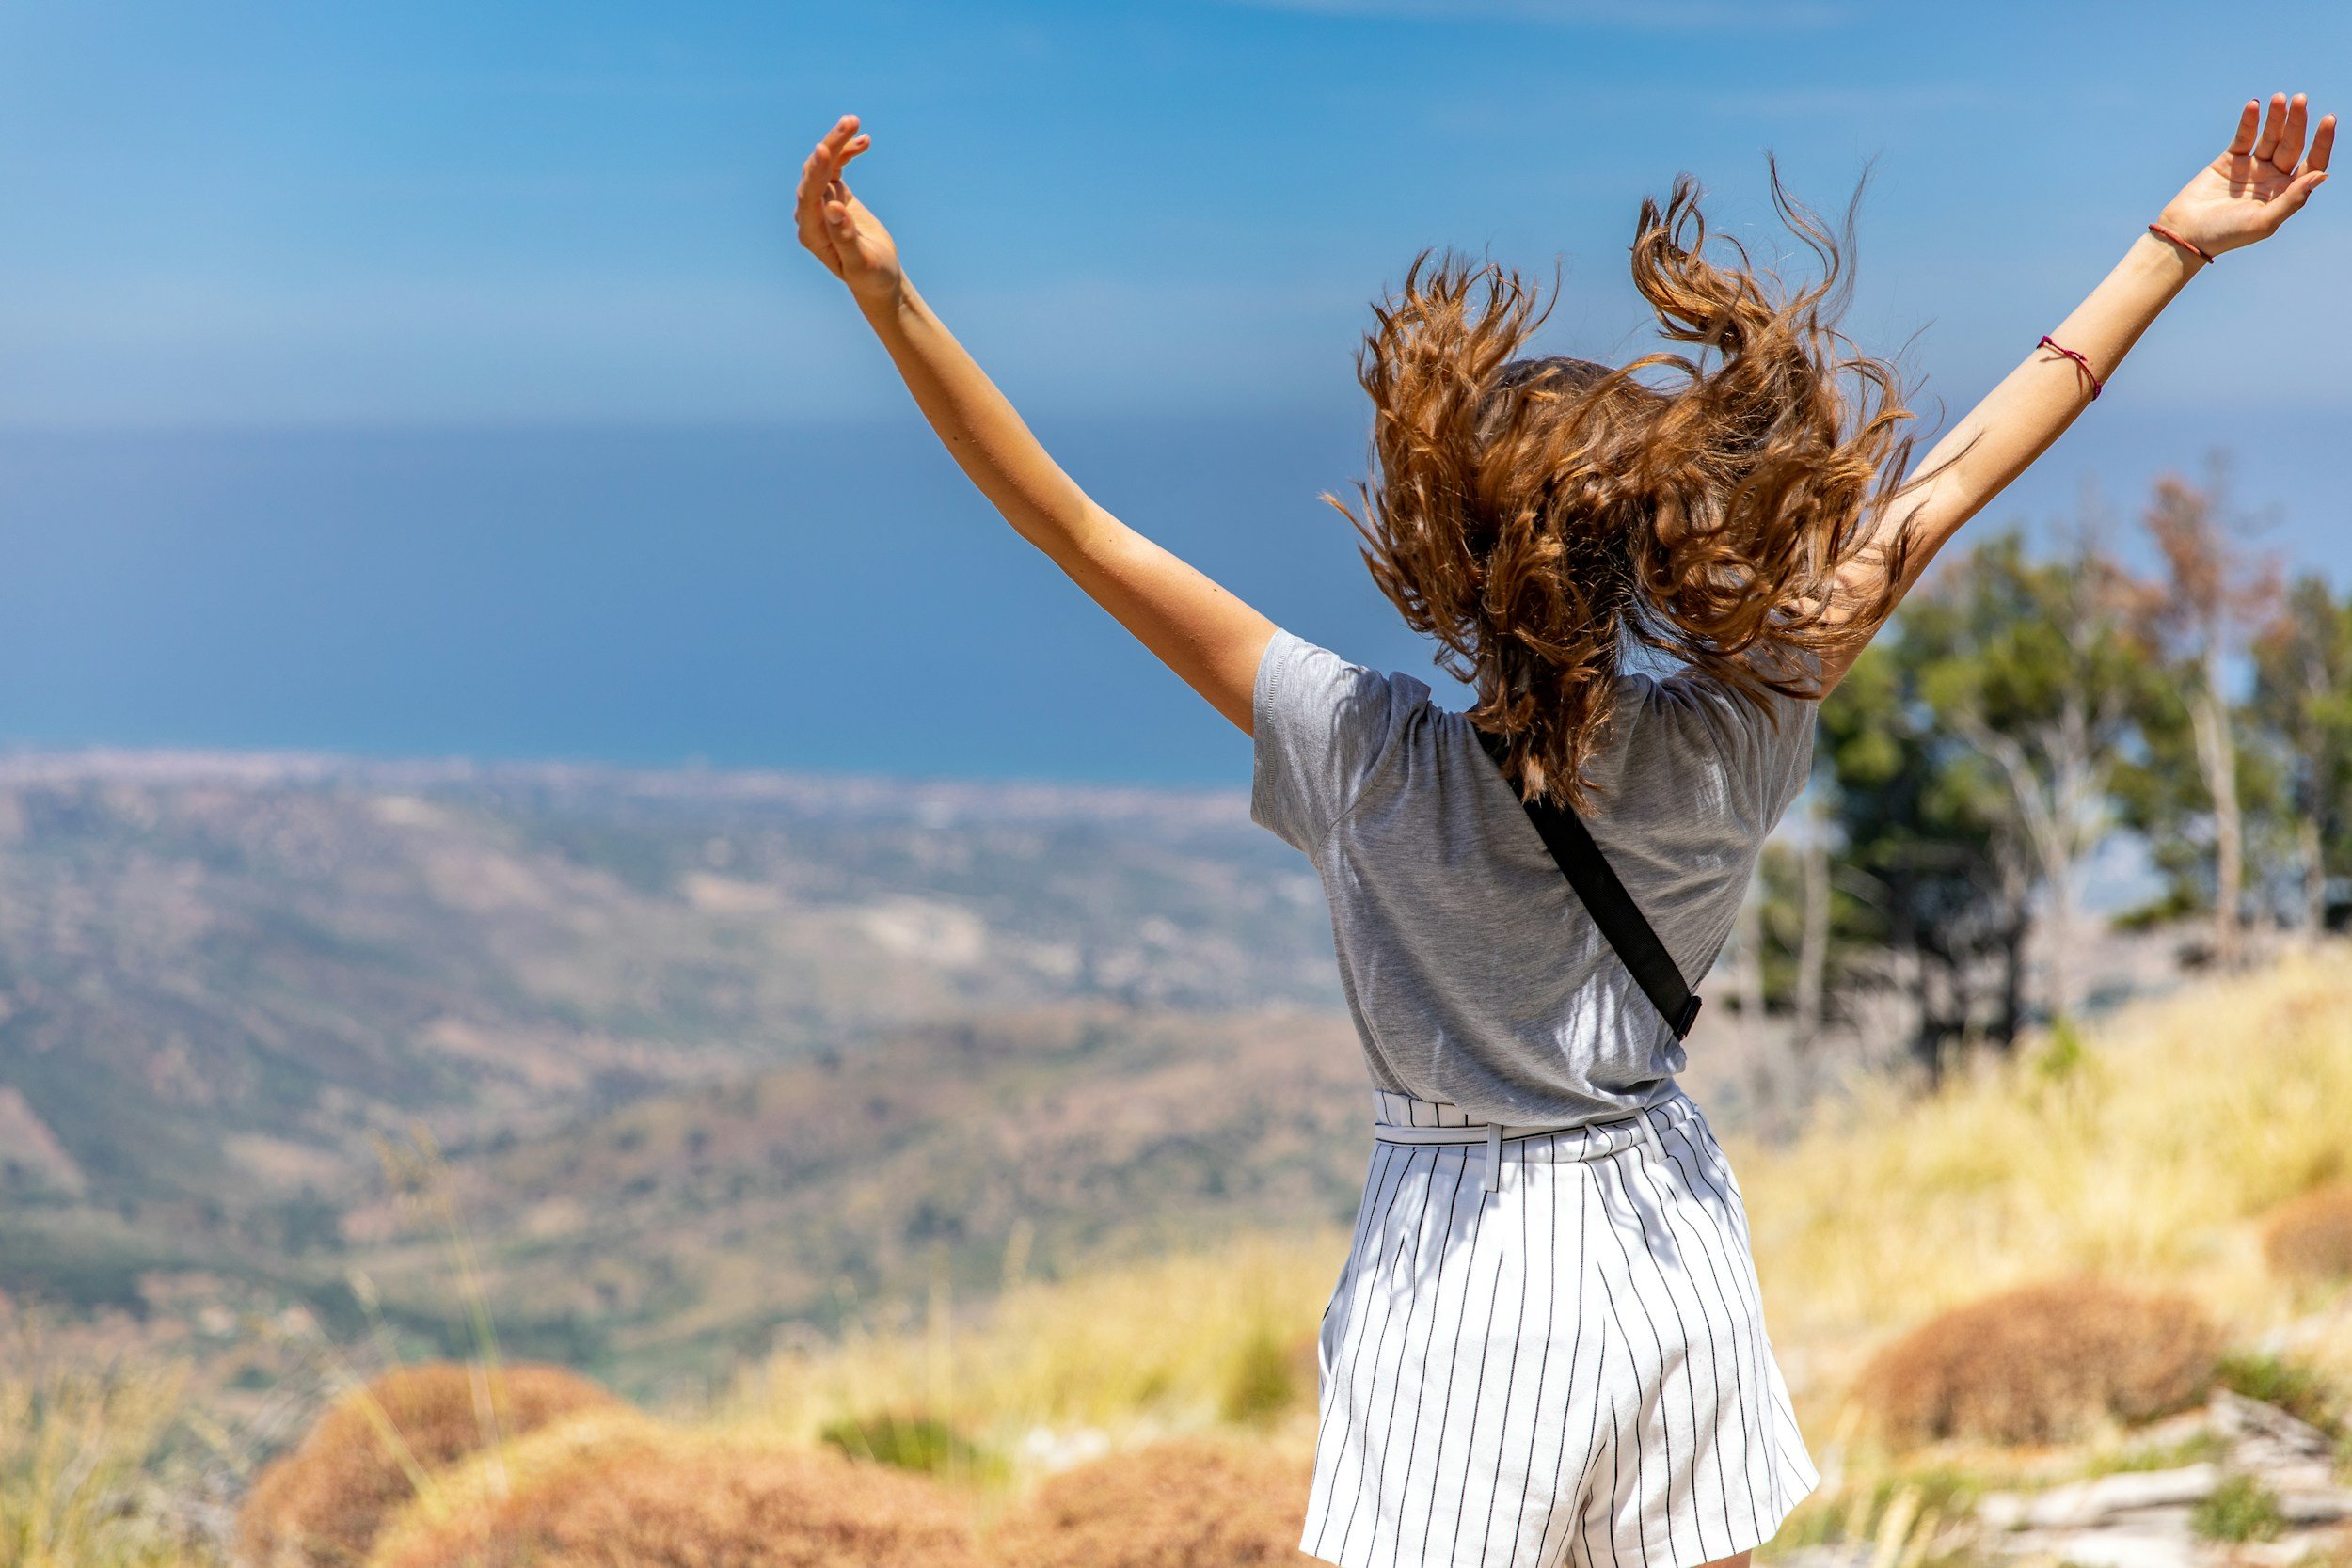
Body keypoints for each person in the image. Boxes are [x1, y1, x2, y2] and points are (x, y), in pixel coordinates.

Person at [791, 93, 2331, 1568]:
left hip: (1458, 1277)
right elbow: (1958, 476)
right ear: (1659, 539)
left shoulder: (1366, 755)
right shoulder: (1744, 723)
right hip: (1669, 1233)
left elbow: (1071, 525)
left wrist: (890, 300)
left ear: (1447, 549)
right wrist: (2175, 246)